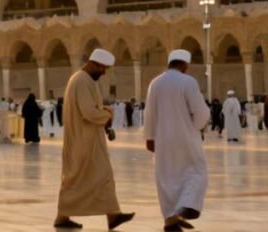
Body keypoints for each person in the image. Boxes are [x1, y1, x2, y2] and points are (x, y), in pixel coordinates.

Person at [54, 49, 134, 230]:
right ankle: (111, 216)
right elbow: (88, 112)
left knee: (78, 178)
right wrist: (106, 114)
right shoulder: (82, 81)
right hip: (84, 141)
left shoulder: (84, 80)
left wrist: (103, 113)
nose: (104, 73)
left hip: (86, 139)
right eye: (103, 69)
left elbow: (90, 108)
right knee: (94, 176)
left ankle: (66, 217)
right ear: (93, 64)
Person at [144, 49, 210, 231]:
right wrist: (195, 127)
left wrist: (149, 137)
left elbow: (149, 113)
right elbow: (201, 113)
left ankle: (170, 220)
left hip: (162, 139)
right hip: (186, 138)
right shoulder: (188, 82)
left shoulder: (155, 83)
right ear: (184, 64)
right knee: (197, 172)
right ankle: (187, 205)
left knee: (166, 177)